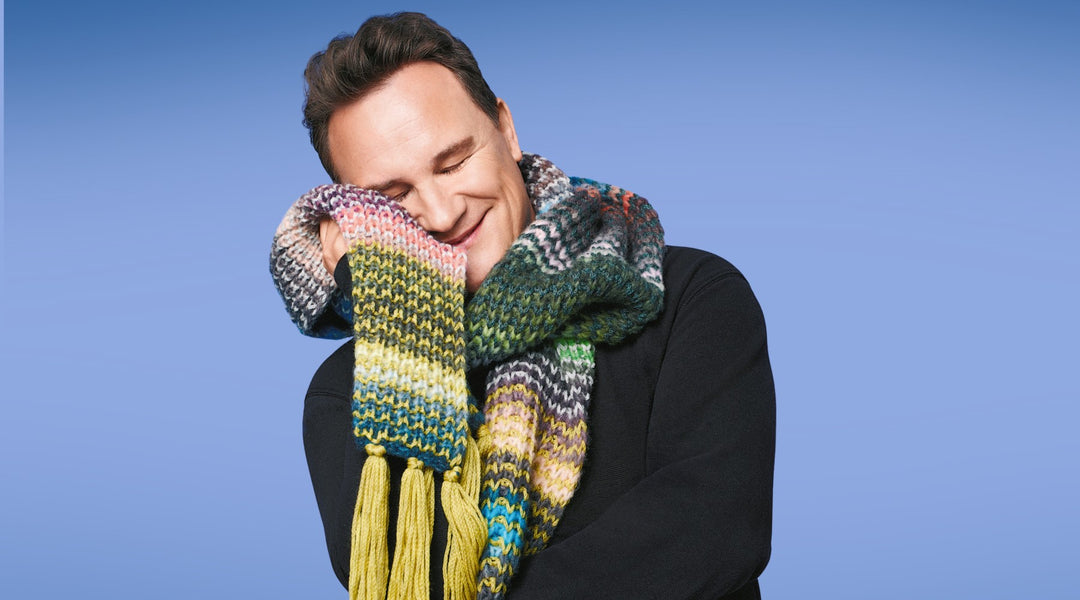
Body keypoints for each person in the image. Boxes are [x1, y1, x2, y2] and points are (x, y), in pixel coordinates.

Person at [270, 12, 775, 600]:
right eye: (394, 195)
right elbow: (408, 580)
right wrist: (396, 314)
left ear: (506, 129)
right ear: (355, 217)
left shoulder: (685, 295)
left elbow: (713, 531)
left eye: (453, 161)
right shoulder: (349, 393)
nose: (440, 212)